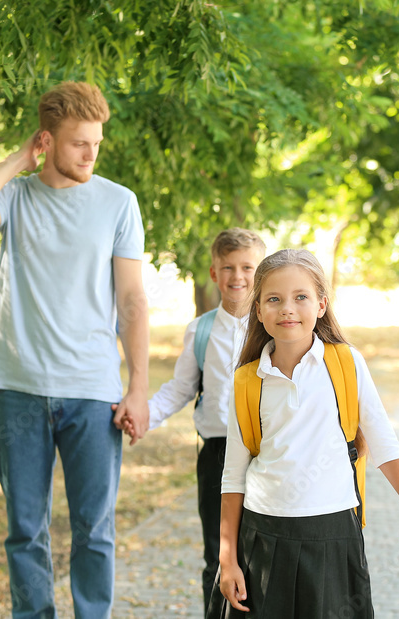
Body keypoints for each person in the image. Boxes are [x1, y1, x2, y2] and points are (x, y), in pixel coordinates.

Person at [0, 81, 150, 619]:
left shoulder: (118, 202)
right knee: (25, 531)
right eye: (79, 142)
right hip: (19, 389)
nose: (90, 153)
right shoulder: (14, 197)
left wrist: (139, 388)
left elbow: (131, 300)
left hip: (92, 392)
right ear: (48, 141)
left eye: (96, 142)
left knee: (94, 531)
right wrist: (19, 159)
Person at [210, 249, 399, 619]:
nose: (287, 308)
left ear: (321, 304)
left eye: (300, 297)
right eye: (274, 299)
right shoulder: (246, 380)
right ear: (258, 310)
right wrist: (228, 560)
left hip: (333, 532)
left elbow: (385, 446)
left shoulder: (346, 363)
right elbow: (233, 475)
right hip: (262, 536)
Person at [138, 228, 266, 611]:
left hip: (265, 456)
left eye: (247, 267)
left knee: (260, 552)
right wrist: (143, 416)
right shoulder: (201, 330)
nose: (237, 277)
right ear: (214, 273)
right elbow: (181, 388)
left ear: (260, 274)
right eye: (228, 267)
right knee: (219, 553)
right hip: (217, 455)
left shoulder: (272, 328)